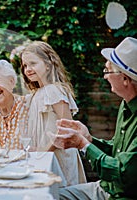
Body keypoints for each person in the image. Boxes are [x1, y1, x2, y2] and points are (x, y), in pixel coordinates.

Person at [54, 37, 137, 199]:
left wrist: (83, 145)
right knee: (51, 195)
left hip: (123, 195)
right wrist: (89, 139)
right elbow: (118, 150)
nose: (105, 76)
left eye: (108, 71)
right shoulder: (126, 104)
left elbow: (122, 173)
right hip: (107, 188)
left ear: (125, 79)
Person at [20, 41, 86, 186]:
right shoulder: (37, 94)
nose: (28, 69)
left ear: (48, 65)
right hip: (45, 156)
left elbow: (68, 129)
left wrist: (43, 152)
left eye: (33, 63)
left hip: (58, 157)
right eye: (25, 65)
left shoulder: (54, 91)